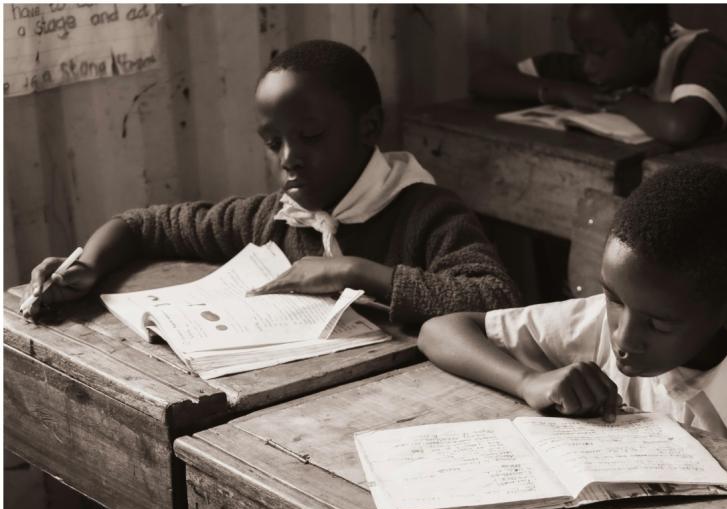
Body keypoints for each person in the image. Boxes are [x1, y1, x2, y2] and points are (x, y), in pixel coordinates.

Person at [22, 39, 520, 325]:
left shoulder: (426, 213)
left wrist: (355, 272)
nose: (289, 160)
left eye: (310, 136)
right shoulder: (276, 218)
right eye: (273, 143)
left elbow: (497, 299)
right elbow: (141, 225)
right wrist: (86, 265)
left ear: (369, 127)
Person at [419, 163, 727, 475]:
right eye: (613, 298)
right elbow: (440, 331)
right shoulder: (604, 323)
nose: (624, 336)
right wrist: (528, 381)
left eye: (658, 324)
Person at [471, 5, 727, 145]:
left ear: (648, 36)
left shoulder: (701, 53)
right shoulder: (604, 66)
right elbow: (483, 80)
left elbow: (680, 127)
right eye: (581, 51)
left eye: (598, 52)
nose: (587, 66)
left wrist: (620, 102)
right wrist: (559, 91)